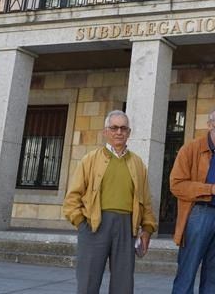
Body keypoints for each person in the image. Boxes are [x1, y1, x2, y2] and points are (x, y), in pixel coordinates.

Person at [62, 110, 157, 294]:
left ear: (129, 133)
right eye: (114, 127)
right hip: (94, 226)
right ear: (106, 131)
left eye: (123, 128)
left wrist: (147, 229)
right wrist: (82, 223)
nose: (119, 132)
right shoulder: (90, 159)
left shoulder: (138, 164)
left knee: (123, 285)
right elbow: (72, 198)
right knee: (87, 282)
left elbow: (146, 201)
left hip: (126, 227)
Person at [169, 106, 215, 294]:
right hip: (198, 215)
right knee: (187, 273)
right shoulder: (191, 149)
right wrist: (210, 189)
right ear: (210, 124)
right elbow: (176, 185)